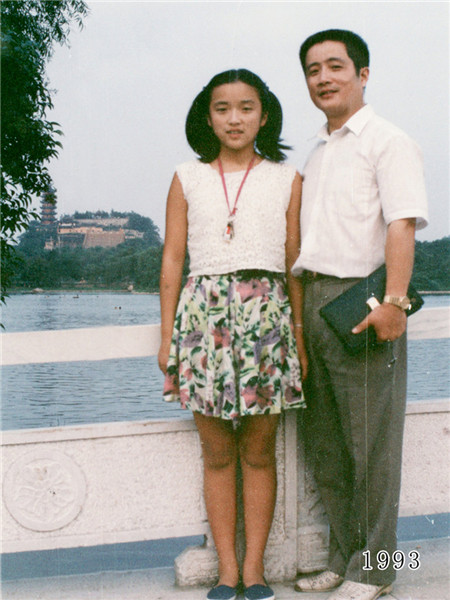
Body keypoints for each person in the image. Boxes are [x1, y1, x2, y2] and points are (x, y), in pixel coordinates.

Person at [158, 68, 307, 600]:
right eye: (223, 108)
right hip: (202, 322)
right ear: (208, 116)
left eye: (246, 107)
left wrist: (299, 339)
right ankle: (225, 571)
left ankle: (255, 570)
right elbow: (173, 258)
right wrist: (167, 336)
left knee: (260, 452)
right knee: (218, 453)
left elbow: (294, 265)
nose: (234, 118)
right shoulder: (186, 176)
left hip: (265, 319)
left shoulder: (288, 178)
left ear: (264, 115)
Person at [291, 30, 428, 600]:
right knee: (325, 446)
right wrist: (299, 323)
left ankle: (373, 570)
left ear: (362, 74)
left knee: (371, 447)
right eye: (312, 69)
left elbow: (402, 222)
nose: (323, 78)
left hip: (362, 304)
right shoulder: (317, 152)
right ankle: (344, 557)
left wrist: (394, 303)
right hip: (315, 299)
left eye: (335, 66)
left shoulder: (388, 141)